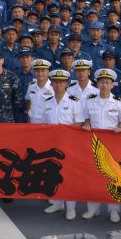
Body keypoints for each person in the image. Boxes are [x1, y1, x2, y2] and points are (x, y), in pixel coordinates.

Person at [82, 68, 121, 222]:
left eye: (107, 83)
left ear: (112, 85)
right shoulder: (89, 100)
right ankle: (92, 209)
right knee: (93, 176)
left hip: (112, 145)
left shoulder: (119, 103)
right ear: (97, 84)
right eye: (101, 82)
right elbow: (86, 119)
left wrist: (120, 129)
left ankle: (113, 210)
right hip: (94, 144)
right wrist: (87, 124)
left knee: (113, 176)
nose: (104, 85)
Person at [40, 69, 85, 220]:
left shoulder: (74, 101)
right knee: (53, 174)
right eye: (55, 82)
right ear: (51, 84)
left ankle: (71, 207)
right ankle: (57, 202)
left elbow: (79, 123)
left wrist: (66, 135)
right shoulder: (47, 102)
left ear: (66, 84)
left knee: (68, 176)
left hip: (69, 145)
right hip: (52, 145)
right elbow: (44, 125)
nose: (58, 85)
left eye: (61, 82)